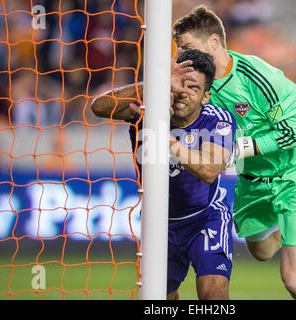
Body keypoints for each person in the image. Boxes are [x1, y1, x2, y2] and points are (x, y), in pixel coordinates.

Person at [171, 5, 296, 300]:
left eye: (189, 47)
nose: (183, 56)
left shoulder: (260, 79)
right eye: (180, 49)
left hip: (292, 176)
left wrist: (236, 149)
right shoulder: (194, 84)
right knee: (261, 251)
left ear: (214, 43)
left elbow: (294, 134)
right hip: (253, 182)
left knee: (295, 281)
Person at [91, 49, 236, 300]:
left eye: (192, 87)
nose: (181, 91)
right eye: (178, 82)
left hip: (205, 218)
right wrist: (156, 81)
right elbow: (99, 107)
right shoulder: (144, 109)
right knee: (160, 299)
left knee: (214, 294)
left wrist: (161, 134)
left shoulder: (217, 120)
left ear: (206, 96)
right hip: (158, 223)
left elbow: (210, 170)